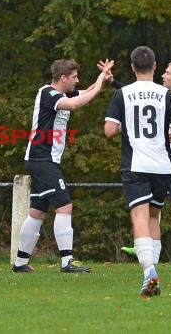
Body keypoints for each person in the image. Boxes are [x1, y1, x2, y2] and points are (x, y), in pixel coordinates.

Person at [12, 58, 113, 274]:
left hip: (44, 160)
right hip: (42, 159)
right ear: (63, 78)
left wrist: (102, 78)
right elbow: (76, 104)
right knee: (65, 206)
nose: (77, 81)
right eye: (74, 77)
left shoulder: (63, 94)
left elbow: (88, 91)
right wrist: (97, 86)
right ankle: (67, 261)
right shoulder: (48, 93)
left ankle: (20, 263)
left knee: (37, 212)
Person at [104, 46, 171, 297]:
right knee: (154, 217)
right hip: (162, 166)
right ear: (154, 66)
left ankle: (149, 272)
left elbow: (109, 130)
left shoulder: (123, 93)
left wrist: (126, 128)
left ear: (132, 67)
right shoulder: (166, 94)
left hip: (137, 165)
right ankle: (153, 270)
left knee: (139, 217)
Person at [112, 62, 171, 272]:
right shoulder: (163, 96)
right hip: (161, 159)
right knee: (153, 204)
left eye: (168, 73)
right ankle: (146, 245)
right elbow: (137, 97)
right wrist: (114, 82)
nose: (163, 75)